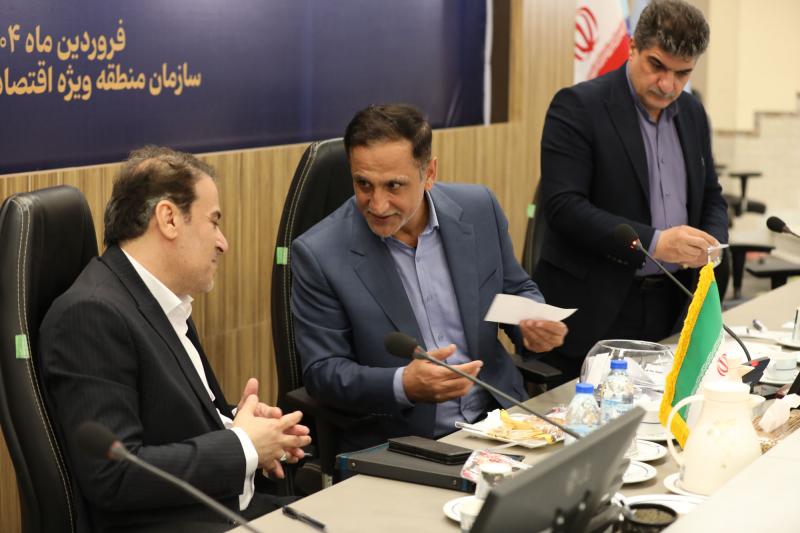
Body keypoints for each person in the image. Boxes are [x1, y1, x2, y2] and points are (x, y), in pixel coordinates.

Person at [40, 146, 312, 532]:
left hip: (229, 511)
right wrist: (243, 446)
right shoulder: (91, 314)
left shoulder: (157, 298)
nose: (223, 242)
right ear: (169, 219)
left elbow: (167, 422)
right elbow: (114, 474)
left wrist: (241, 425)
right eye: (213, 222)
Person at [291, 104, 568, 452]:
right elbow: (323, 372)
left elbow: (515, 288)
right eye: (363, 184)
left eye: (394, 185)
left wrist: (532, 321)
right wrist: (403, 384)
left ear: (429, 173)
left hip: (502, 422)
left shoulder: (479, 208)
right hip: (404, 442)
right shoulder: (319, 253)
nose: (377, 204)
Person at [533, 0, 728, 382]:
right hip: (596, 306)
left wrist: (712, 244)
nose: (668, 84)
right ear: (633, 47)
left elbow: (711, 194)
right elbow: (564, 207)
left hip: (673, 301)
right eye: (657, 66)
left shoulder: (692, 113)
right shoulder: (578, 106)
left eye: (682, 73)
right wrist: (655, 243)